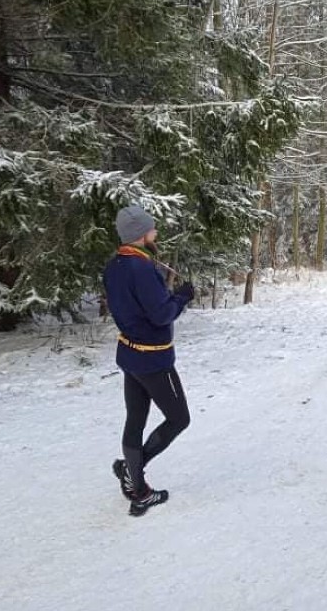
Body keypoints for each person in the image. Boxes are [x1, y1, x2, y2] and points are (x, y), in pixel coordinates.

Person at [102, 205, 195, 516]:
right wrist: (182, 296)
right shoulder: (141, 268)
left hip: (130, 353)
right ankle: (135, 478)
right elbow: (162, 314)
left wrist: (163, 290)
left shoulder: (115, 265)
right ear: (141, 234)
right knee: (179, 418)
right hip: (153, 360)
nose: (156, 233)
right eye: (152, 229)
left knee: (135, 420)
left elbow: (137, 306)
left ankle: (136, 484)